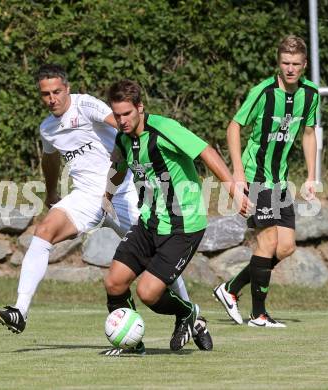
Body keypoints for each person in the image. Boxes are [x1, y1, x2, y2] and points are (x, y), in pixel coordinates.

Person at [0, 64, 195, 339]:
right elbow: (49, 160)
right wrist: (51, 194)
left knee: (157, 255)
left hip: (124, 192)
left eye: (57, 92)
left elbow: (123, 124)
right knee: (44, 232)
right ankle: (20, 311)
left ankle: (192, 312)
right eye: (46, 94)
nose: (52, 99)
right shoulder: (47, 129)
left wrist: (144, 162)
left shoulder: (85, 105)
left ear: (68, 89)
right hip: (86, 197)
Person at [103, 79, 251, 355]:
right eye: (117, 114)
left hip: (183, 225)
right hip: (150, 222)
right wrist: (107, 196)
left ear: (140, 107)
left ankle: (186, 314)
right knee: (114, 282)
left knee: (148, 293)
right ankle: (131, 344)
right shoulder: (123, 138)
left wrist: (232, 189)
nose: (121, 120)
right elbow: (118, 165)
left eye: (127, 114)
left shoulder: (164, 129)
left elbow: (206, 151)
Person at [214, 35, 319, 327]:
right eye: (285, 63)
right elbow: (234, 126)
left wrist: (311, 176)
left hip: (280, 181)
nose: (290, 69)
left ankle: (230, 289)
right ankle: (258, 314)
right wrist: (237, 172)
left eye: (296, 64)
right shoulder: (263, 92)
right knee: (268, 241)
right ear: (278, 63)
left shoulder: (310, 95)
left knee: (285, 247)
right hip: (255, 177)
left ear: (304, 65)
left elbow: (308, 133)